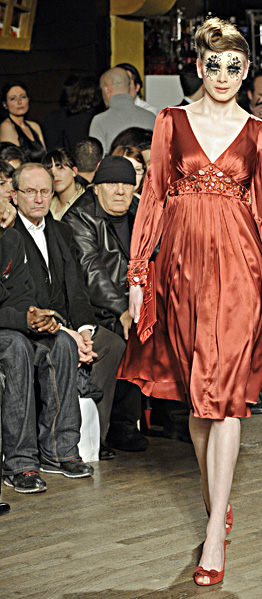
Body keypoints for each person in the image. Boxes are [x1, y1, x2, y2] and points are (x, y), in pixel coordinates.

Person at [117, 17, 262, 586]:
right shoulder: (171, 121)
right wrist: (139, 272)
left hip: (241, 273)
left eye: (235, 66)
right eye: (215, 65)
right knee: (197, 404)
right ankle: (218, 498)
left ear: (247, 70)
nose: (224, 75)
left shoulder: (260, 133)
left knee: (227, 400)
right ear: (199, 66)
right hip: (181, 272)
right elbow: (153, 197)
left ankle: (214, 532)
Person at [12, 162, 126, 461]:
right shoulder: (8, 234)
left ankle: (92, 438)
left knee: (110, 345)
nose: (39, 199)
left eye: (45, 191)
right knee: (61, 346)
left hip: (69, 323)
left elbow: (77, 288)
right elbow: (21, 298)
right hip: (33, 326)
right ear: (14, 195)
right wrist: (67, 332)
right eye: (31, 192)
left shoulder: (61, 231)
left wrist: (85, 330)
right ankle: (55, 440)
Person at [63, 155, 149, 453]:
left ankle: (172, 420)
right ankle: (110, 427)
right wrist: (122, 310)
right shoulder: (80, 217)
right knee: (123, 338)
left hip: (135, 300)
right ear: (96, 187)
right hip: (93, 308)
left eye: (126, 184)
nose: (120, 191)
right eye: (112, 184)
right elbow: (92, 273)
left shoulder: (139, 210)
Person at [0, 223, 94, 493]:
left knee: (62, 342)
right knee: (16, 347)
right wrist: (22, 319)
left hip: (12, 323)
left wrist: (37, 319)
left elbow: (21, 294)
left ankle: (59, 451)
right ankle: (19, 463)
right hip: (8, 330)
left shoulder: (11, 237)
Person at [89, 68, 155, 155]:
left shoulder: (100, 121)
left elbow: (96, 159)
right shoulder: (151, 117)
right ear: (130, 86)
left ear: (107, 88)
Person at [0, 82, 45, 160]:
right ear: (5, 104)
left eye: (23, 97)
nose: (19, 102)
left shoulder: (35, 126)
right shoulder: (6, 126)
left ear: (28, 99)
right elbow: (11, 162)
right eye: (13, 98)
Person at [42, 149, 84, 220]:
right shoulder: (47, 204)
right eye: (49, 171)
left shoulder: (86, 201)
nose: (54, 174)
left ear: (74, 171)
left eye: (60, 168)